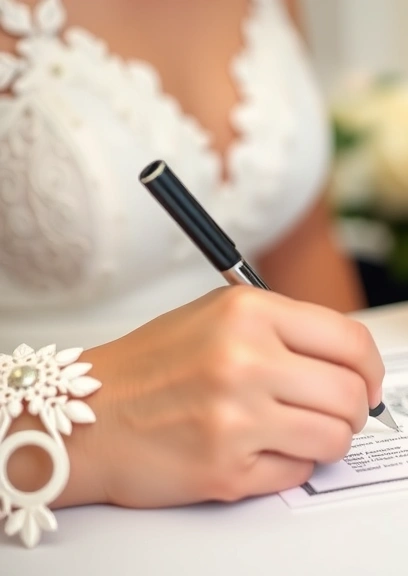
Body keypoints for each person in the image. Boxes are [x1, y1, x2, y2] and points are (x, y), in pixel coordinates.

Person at [0, 0, 379, 545]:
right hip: (60, 529)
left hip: (274, 511)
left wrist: (345, 398)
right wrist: (101, 415)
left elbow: (305, 243)